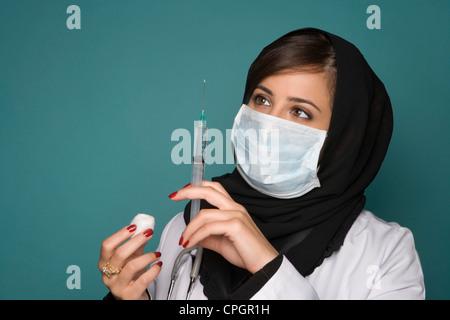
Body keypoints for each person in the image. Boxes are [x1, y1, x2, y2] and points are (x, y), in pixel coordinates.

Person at [98, 28, 425, 300]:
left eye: (299, 112)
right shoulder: (189, 226)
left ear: (344, 138)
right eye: (262, 99)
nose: (268, 124)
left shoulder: (386, 254)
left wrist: (268, 265)